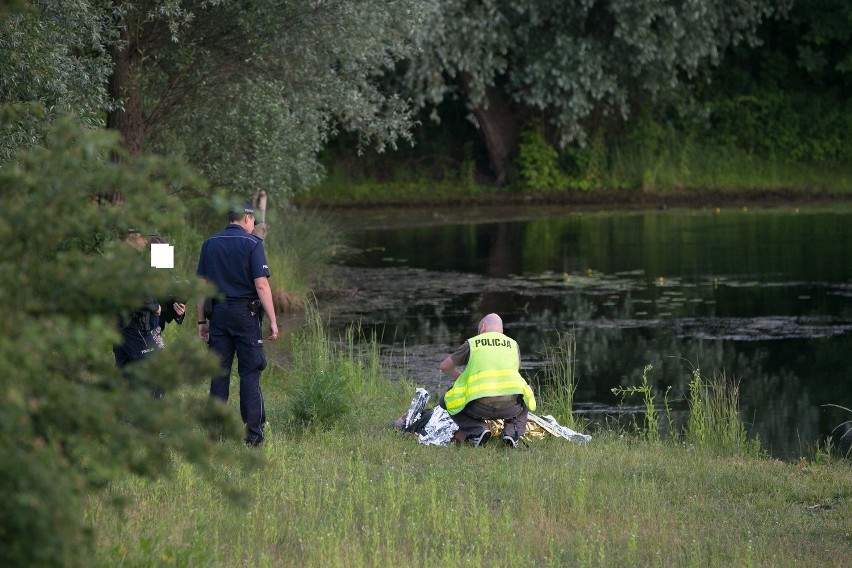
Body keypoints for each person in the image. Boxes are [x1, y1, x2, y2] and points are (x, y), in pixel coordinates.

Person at [196, 202, 279, 447]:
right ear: (246, 218)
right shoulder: (253, 244)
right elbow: (262, 285)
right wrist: (273, 321)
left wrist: (201, 321)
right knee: (249, 374)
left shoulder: (209, 244)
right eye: (253, 221)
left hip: (218, 315)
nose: (254, 226)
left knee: (219, 374)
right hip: (246, 316)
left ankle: (215, 433)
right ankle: (253, 435)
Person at [438, 313, 536, 448]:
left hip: (479, 407)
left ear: (482, 327)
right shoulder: (513, 345)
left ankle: (478, 429)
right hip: (510, 408)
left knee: (446, 400)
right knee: (525, 397)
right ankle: (511, 433)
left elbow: (444, 367)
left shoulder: (472, 343)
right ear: (501, 330)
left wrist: (463, 380)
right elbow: (514, 374)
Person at [113, 228, 162, 372]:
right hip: (133, 324)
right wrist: (154, 306)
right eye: (143, 237)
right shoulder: (125, 261)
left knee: (125, 371)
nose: (147, 241)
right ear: (131, 237)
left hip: (125, 325)